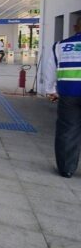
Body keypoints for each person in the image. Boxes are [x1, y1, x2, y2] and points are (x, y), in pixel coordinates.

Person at [44, 19, 81, 178]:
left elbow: (50, 69)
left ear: (75, 27)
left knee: (67, 130)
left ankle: (66, 169)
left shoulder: (60, 46)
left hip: (68, 94)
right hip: (69, 94)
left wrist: (51, 90)